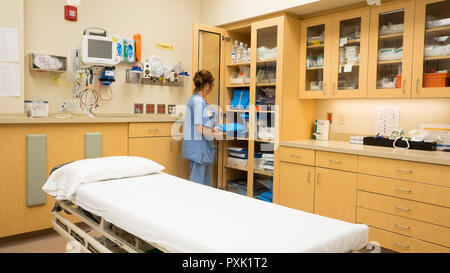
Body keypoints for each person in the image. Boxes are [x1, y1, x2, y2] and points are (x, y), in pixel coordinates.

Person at [182, 70, 223, 186]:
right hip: (199, 149)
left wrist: (213, 130)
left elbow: (205, 122)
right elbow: (200, 128)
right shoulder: (198, 101)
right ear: (207, 85)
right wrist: (214, 134)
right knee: (197, 186)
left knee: (204, 185)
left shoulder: (199, 100)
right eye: (212, 85)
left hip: (202, 149)